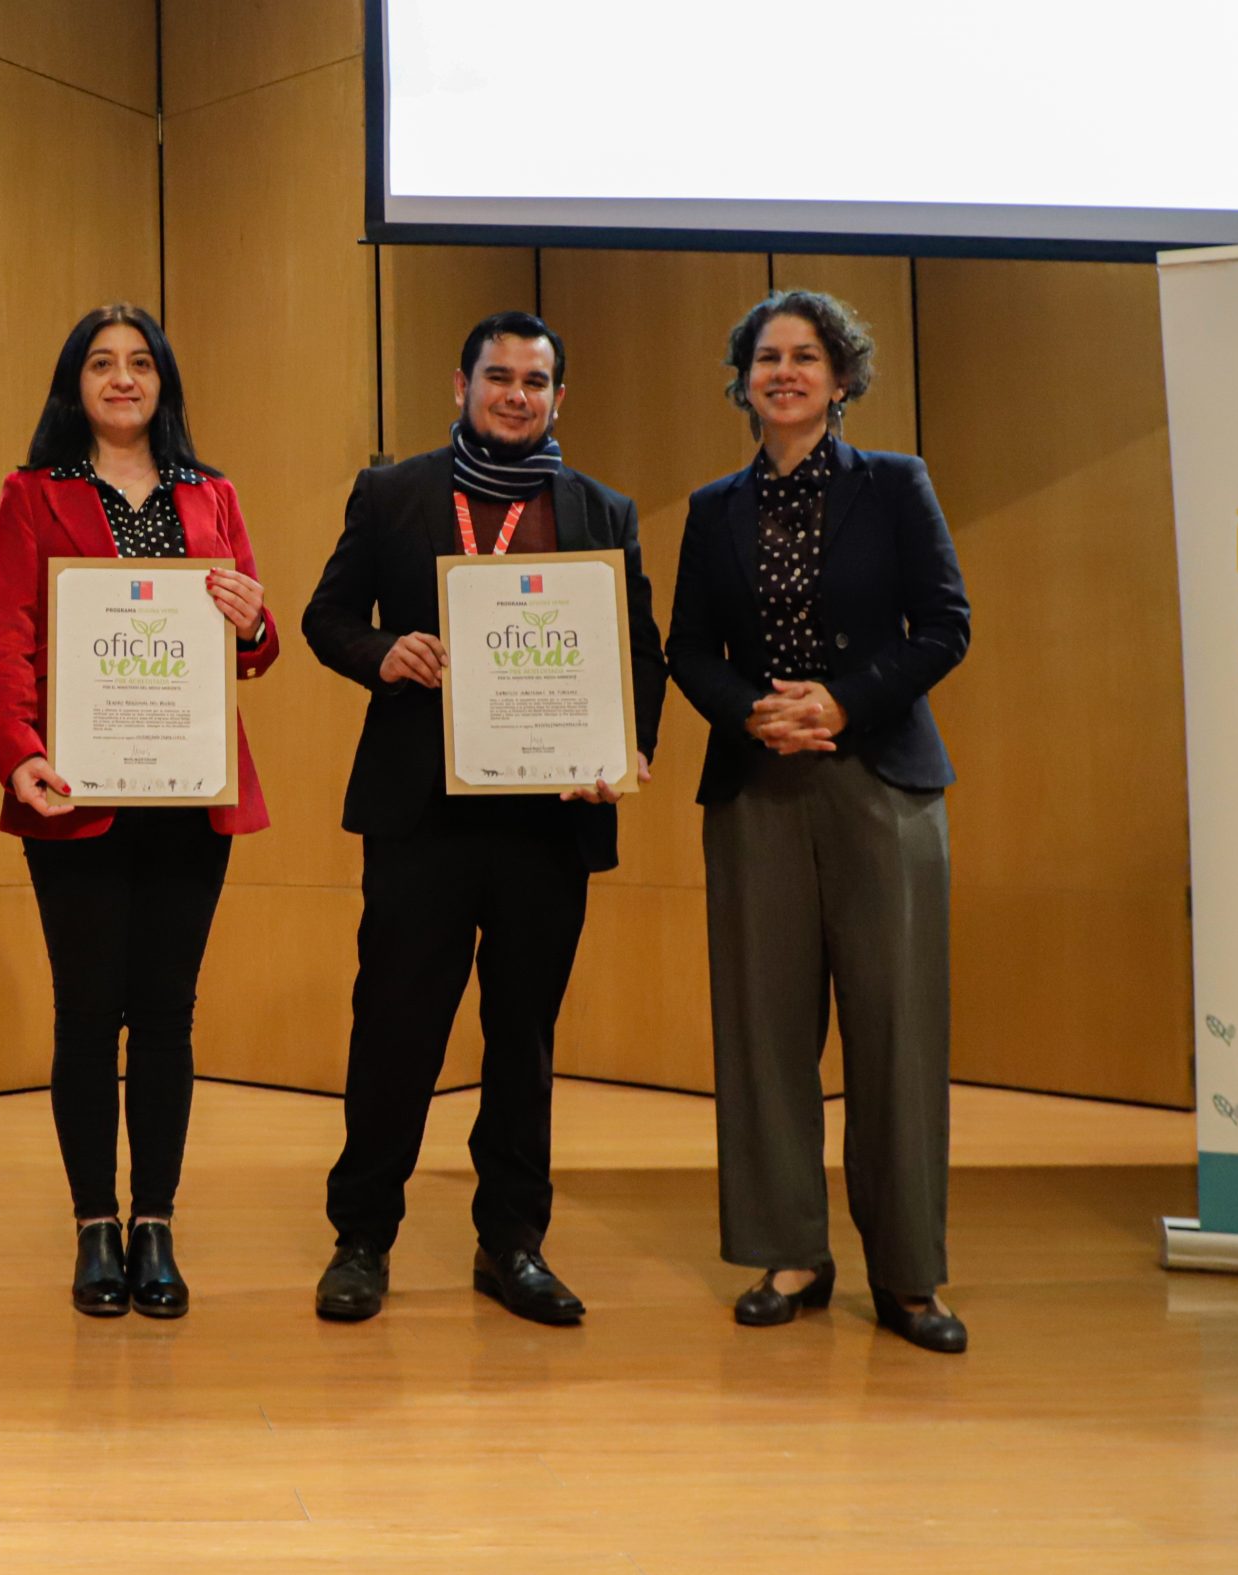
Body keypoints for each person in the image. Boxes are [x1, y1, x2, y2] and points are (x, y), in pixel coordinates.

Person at [301, 310, 665, 1326]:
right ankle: (361, 1238)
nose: (515, 394)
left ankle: (512, 1242)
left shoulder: (601, 509)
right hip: (422, 815)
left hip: (548, 817)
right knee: (395, 1032)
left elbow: (638, 650)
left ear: (559, 397)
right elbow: (325, 617)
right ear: (458, 384)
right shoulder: (393, 493)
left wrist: (628, 748)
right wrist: (384, 653)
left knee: (523, 1038)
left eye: (535, 381)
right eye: (497, 376)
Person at [666, 290, 972, 1354]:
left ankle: (908, 1273)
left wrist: (841, 701)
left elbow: (945, 624)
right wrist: (753, 711)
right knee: (763, 1030)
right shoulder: (713, 508)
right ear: (743, 379)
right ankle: (787, 1249)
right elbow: (687, 647)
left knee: (895, 1031)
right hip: (757, 782)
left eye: (805, 357)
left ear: (842, 379)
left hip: (879, 778)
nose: (783, 371)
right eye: (765, 357)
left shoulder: (895, 485)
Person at [0, 305, 281, 1319]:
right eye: (100, 364)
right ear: (74, 384)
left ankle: (156, 1224)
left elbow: (253, 643)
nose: (121, 378)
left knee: (168, 1014)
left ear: (164, 383)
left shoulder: (212, 493)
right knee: (88, 1010)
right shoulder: (32, 494)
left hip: (190, 793)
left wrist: (255, 618)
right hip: (77, 791)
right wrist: (18, 755)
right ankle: (92, 1224)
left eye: (139, 363)